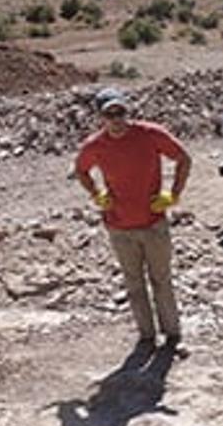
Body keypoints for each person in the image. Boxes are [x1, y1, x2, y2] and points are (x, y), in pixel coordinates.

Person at [74, 88, 192, 349]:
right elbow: (81, 170)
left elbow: (183, 158)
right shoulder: (95, 146)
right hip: (119, 227)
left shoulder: (150, 135)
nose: (116, 119)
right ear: (100, 117)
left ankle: (172, 335)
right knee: (134, 283)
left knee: (161, 279)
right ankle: (146, 336)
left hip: (153, 223)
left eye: (120, 112)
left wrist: (173, 195)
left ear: (128, 111)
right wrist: (96, 194)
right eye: (110, 114)